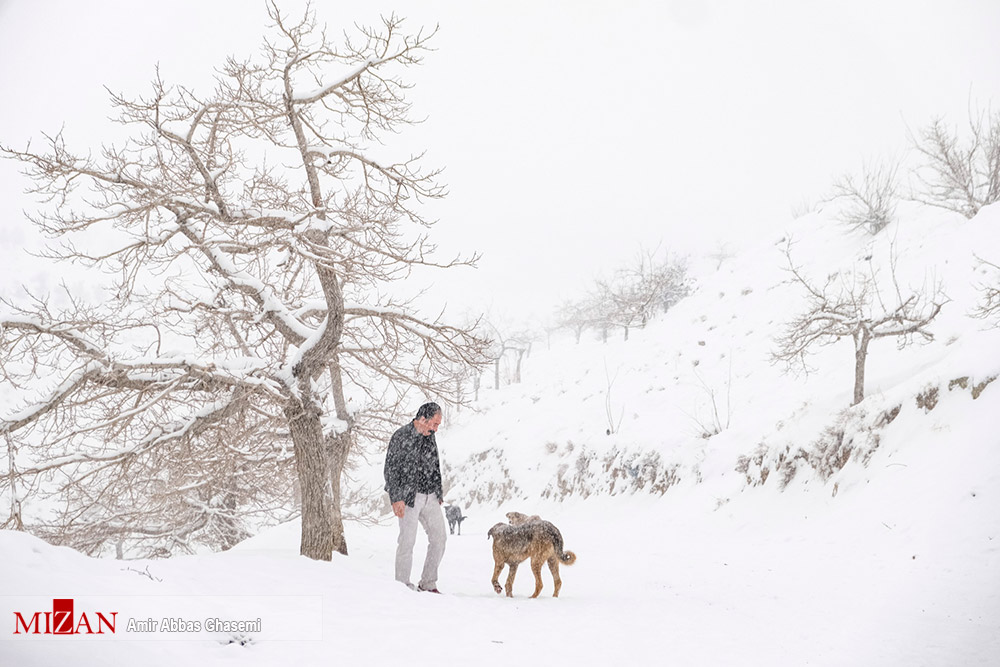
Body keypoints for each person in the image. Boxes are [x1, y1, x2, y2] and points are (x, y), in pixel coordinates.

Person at [383, 402, 447, 593]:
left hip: (431, 496)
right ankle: (402, 586)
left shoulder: (430, 437)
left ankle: (428, 583)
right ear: (422, 419)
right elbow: (390, 469)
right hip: (408, 498)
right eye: (433, 424)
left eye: (437, 425)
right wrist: (396, 498)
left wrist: (439, 490)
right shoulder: (401, 436)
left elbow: (435, 465)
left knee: (439, 538)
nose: (435, 429)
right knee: (407, 541)